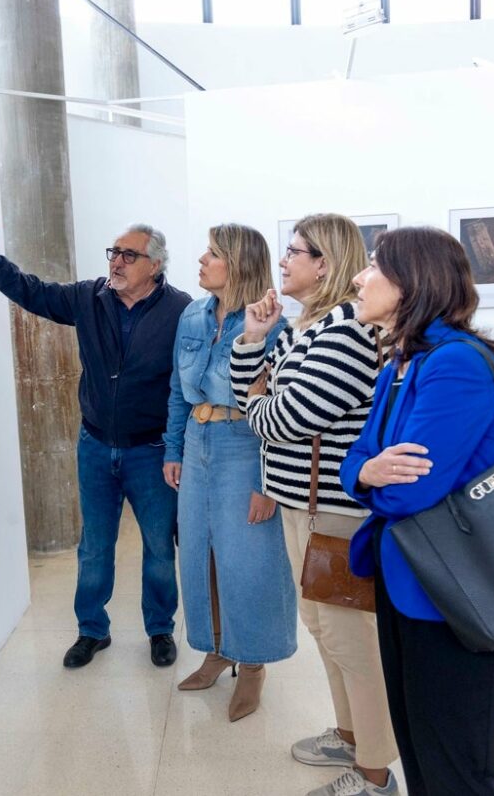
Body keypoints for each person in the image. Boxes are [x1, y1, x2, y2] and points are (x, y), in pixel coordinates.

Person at [340, 226, 494, 795]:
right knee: (423, 754)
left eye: (374, 266)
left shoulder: (454, 365)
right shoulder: (404, 364)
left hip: (459, 594)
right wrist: (365, 472)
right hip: (413, 582)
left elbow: (409, 489)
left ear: (412, 282)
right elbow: (360, 460)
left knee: (456, 770)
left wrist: (369, 476)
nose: (358, 277)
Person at [0, 221, 191, 669]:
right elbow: (33, 292)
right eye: (114, 252)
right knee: (94, 545)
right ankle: (91, 630)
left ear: (155, 266)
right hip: (96, 445)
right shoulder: (90, 298)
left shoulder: (181, 311)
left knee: (160, 546)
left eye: (129, 255)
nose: (117, 261)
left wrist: (177, 448)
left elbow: (186, 384)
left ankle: (160, 628)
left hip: (151, 451)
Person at [232, 214, 396, 796]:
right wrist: (254, 341)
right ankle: (350, 738)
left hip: (332, 508)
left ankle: (375, 773)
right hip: (301, 502)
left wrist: (260, 406)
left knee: (349, 637)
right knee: (324, 628)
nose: (283, 261)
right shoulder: (309, 326)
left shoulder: (347, 330)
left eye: (294, 251)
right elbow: (247, 391)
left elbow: (284, 418)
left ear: (324, 262)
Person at [163, 224, 294, 722]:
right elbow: (178, 389)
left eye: (213, 253)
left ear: (237, 264)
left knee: (249, 558)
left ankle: (254, 661)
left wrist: (268, 483)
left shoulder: (271, 324)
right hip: (197, 441)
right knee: (199, 553)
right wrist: (172, 448)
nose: (201, 259)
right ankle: (217, 649)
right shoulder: (193, 315)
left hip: (246, 445)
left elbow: (278, 410)